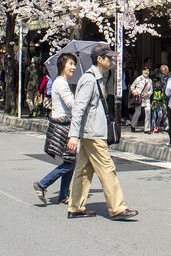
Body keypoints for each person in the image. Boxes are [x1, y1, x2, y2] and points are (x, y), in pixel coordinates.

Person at [66, 43, 138, 221]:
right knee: (107, 168)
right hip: (93, 133)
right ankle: (117, 208)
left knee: (83, 170)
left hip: (91, 131)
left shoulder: (97, 78)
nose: (112, 60)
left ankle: (75, 206)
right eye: (109, 57)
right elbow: (79, 109)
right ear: (100, 59)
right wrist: (73, 135)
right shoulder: (90, 80)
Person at [34, 53, 77, 205]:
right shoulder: (60, 83)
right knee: (70, 163)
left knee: (70, 160)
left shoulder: (62, 82)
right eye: (70, 64)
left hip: (64, 125)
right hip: (62, 126)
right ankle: (42, 184)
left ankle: (64, 194)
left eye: (74, 64)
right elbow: (72, 105)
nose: (74, 67)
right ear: (62, 65)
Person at [129, 67, 153, 133]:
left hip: (146, 98)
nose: (146, 72)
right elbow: (132, 86)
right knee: (138, 112)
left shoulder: (150, 80)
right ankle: (133, 125)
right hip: (138, 98)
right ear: (142, 71)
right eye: (145, 70)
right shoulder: (138, 79)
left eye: (148, 71)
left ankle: (147, 129)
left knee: (148, 111)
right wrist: (134, 92)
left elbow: (151, 91)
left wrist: (147, 94)